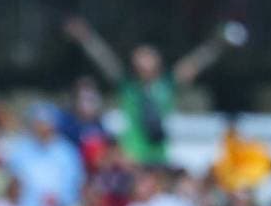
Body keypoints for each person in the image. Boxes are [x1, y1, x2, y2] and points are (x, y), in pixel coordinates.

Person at [64, 17, 241, 165]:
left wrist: (218, 45)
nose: (144, 62)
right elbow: (105, 60)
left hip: (159, 153)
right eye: (140, 57)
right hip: (132, 154)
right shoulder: (129, 87)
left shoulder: (166, 85)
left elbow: (194, 63)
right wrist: (86, 38)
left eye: (148, 56)